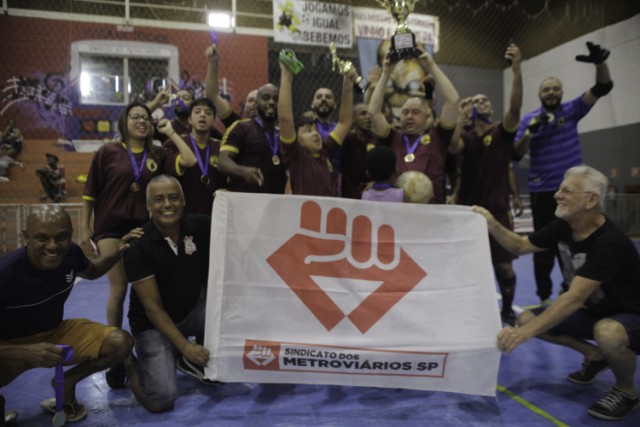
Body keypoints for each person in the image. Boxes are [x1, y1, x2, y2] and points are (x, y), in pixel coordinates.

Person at [473, 165, 640, 421]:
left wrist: (521, 335)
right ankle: (595, 356)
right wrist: (492, 223)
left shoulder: (610, 243)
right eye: (560, 189)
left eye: (567, 191)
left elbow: (574, 299)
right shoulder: (564, 226)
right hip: (595, 311)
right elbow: (520, 245)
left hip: (630, 315)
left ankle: (626, 391)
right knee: (527, 319)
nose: (557, 195)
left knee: (607, 332)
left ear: (591, 200)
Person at [81, 102, 196, 388]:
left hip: (145, 227)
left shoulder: (158, 152)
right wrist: (84, 227)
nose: (141, 121)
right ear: (124, 122)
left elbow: (190, 161)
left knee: (152, 285)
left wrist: (170, 132)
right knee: (119, 287)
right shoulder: (107, 152)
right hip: (111, 227)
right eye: (135, 117)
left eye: (146, 117)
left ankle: (160, 337)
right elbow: (90, 192)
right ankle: (115, 351)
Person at [0, 205, 141, 424]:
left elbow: (92, 271)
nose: (53, 246)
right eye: (42, 238)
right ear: (26, 236)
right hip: (10, 347)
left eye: (61, 237)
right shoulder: (5, 275)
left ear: (70, 234)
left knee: (120, 343)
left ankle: (67, 383)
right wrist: (24, 352)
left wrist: (118, 252)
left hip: (55, 334)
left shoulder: (71, 254)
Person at [513, 41, 613, 305]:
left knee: (577, 242)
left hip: (574, 192)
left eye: (555, 89)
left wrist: (600, 63)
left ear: (561, 92)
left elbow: (602, 87)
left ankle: (572, 291)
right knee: (542, 245)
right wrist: (531, 132)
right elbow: (516, 153)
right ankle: (544, 297)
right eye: (546, 89)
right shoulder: (529, 119)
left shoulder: (571, 110)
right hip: (543, 191)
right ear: (539, 94)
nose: (551, 93)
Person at [123, 175, 214, 413]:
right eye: (159, 199)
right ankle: (129, 362)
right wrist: (185, 346)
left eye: (173, 197)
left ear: (183, 200)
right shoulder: (137, 246)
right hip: (152, 324)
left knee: (230, 313)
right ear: (148, 206)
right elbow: (152, 308)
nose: (167, 204)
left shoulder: (201, 225)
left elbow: (236, 227)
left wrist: (227, 200)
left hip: (191, 312)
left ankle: (191, 362)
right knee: (162, 398)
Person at [453, 44, 524, 325]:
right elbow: (452, 147)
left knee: (504, 267)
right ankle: (469, 312)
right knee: (467, 268)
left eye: (484, 100)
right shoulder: (465, 137)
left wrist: (516, 70)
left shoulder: (502, 132)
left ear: (492, 107)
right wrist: (459, 117)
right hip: (468, 213)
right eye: (474, 101)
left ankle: (507, 309)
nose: (479, 103)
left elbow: (515, 108)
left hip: (497, 211)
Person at [368, 48, 461, 204]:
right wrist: (386, 73)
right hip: (399, 210)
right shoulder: (393, 138)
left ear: (427, 116)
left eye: (415, 112)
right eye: (405, 112)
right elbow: (373, 113)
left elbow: (453, 101)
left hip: (433, 210)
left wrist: (430, 65)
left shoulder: (438, 136)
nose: (409, 116)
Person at [278, 56, 354, 196]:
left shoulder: (326, 151)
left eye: (315, 130)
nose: (315, 133)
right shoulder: (295, 155)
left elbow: (344, 122)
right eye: (308, 131)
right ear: (297, 140)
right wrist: (286, 76)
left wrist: (347, 85)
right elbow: (285, 120)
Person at [218, 82, 287, 194]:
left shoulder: (284, 135)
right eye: (266, 98)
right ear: (256, 103)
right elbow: (222, 162)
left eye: (276, 99)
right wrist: (242, 171)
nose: (271, 102)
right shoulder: (241, 127)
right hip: (245, 200)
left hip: (275, 201)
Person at [164, 97, 225, 215]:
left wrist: (228, 191)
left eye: (208, 113)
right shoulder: (174, 143)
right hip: (182, 213)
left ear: (214, 121)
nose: (202, 115)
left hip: (214, 213)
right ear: (190, 120)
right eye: (197, 112)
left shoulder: (221, 147)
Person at [341, 103, 380, 199]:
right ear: (353, 118)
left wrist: (376, 182)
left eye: (370, 114)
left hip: (372, 194)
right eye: (363, 114)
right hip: (348, 195)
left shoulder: (377, 140)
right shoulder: (346, 139)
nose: (368, 117)